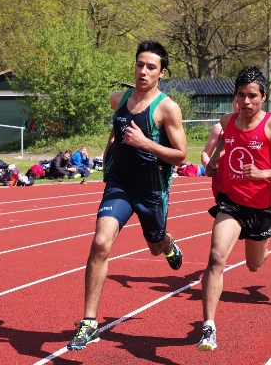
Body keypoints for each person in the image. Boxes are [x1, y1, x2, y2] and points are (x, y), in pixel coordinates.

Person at [67, 40, 187, 350]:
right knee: (99, 242)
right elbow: (117, 130)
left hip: (151, 191)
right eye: (139, 65)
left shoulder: (167, 108)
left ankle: (169, 243)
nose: (143, 71)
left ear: (161, 72)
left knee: (155, 247)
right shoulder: (117, 99)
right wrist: (110, 148)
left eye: (150, 67)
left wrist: (145, 143)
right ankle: (89, 322)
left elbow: (181, 155)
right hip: (119, 186)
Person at [197, 67, 271, 352]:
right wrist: (213, 163)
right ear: (235, 97)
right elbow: (221, 150)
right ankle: (208, 327)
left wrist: (264, 174)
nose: (246, 102)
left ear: (263, 97)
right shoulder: (226, 121)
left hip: (262, 209)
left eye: (252, 96)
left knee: (254, 266)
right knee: (216, 258)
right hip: (231, 204)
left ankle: (258, 245)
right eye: (241, 95)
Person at [201, 98, 239, 215]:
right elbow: (205, 153)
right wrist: (209, 165)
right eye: (238, 100)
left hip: (243, 180)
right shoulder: (219, 127)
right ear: (233, 103)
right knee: (225, 214)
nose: (242, 102)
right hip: (221, 181)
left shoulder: (256, 126)